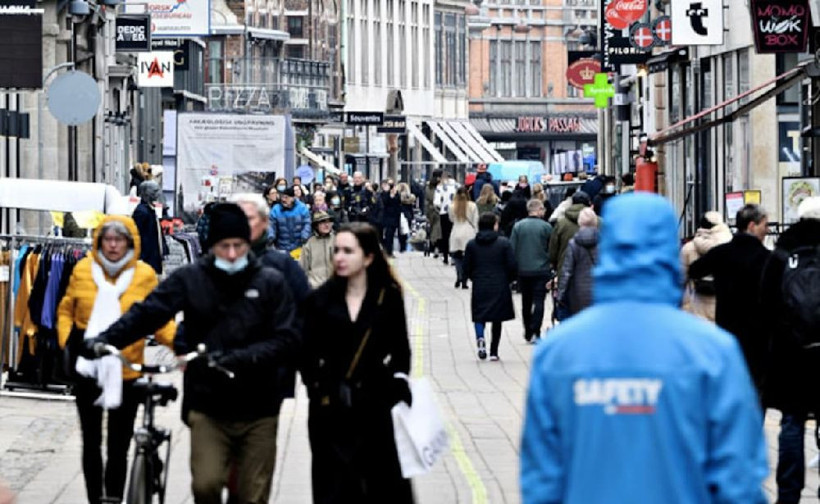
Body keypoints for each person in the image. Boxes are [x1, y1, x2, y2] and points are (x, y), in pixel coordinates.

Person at [520, 193, 768, 504]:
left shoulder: (558, 353)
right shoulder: (712, 353)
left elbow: (541, 478)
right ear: (669, 248)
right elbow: (738, 478)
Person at [82, 203, 299, 504]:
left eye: (238, 245)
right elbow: (149, 312)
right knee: (206, 485)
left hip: (259, 405)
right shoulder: (192, 278)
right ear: (212, 246)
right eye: (225, 246)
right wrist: (105, 339)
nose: (232, 254)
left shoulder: (269, 281)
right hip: (208, 402)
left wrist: (244, 357)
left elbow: (287, 337)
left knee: (253, 493)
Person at [57, 216, 176, 504]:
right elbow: (66, 309)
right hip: (89, 367)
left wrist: (180, 345)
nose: (112, 245)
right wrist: (67, 343)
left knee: (119, 444)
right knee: (91, 442)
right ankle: (94, 498)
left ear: (130, 242)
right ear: (99, 240)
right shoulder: (83, 268)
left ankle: (114, 496)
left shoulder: (144, 275)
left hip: (126, 369)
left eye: (119, 239)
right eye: (107, 239)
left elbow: (158, 319)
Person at [301, 222, 413, 504]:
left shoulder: (387, 296)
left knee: (380, 487)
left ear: (368, 257)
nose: (339, 256)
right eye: (337, 250)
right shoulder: (320, 299)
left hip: (375, 407)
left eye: (348, 251)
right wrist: (318, 387)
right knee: (334, 490)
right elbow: (306, 354)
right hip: (330, 410)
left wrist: (396, 383)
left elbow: (401, 351)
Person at [759, 196, 820, 504]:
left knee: (792, 423)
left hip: (791, 354)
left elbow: (765, 303)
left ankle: (788, 493)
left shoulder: (782, 252)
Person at [688, 204, 771, 393]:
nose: (768, 230)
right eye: (764, 225)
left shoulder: (722, 253)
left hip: (727, 325)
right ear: (751, 226)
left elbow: (695, 269)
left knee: (730, 380)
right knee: (756, 383)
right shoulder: (766, 258)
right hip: (758, 332)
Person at [232, 193, 310, 305]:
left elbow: (305, 307)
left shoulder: (284, 266)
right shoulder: (213, 265)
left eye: (249, 218)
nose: (243, 223)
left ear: (264, 221)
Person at [463, 213, 517, 361]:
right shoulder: (504, 243)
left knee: (479, 315)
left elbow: (466, 266)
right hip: (499, 284)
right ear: (494, 225)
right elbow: (512, 265)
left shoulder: (472, 244)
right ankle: (494, 351)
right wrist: (509, 279)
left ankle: (480, 339)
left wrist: (472, 278)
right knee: (497, 318)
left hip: (480, 284)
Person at [510, 199, 553, 342]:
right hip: (542, 269)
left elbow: (512, 249)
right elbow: (551, 248)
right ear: (539, 210)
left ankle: (527, 330)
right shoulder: (546, 227)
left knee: (526, 302)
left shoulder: (518, 226)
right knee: (539, 300)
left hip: (523, 270)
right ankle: (536, 330)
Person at [680, 211, 732, 322]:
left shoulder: (688, 248)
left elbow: (680, 280)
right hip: (723, 305)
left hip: (696, 306)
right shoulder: (730, 248)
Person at [556, 207, 598, 317]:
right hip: (598, 289)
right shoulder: (602, 242)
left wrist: (560, 294)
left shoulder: (574, 244)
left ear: (580, 222)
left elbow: (567, 271)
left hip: (577, 292)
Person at [131, 180, 166, 274]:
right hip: (146, 258)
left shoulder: (150, 209)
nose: (157, 194)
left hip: (152, 256)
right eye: (154, 191)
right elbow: (137, 235)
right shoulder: (142, 212)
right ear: (147, 193)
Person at [448, 187, 479, 289]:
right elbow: (475, 220)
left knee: (457, 258)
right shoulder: (472, 206)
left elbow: (451, 219)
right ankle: (465, 280)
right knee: (468, 259)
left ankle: (459, 276)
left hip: (456, 231)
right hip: (469, 232)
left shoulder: (452, 206)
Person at [270, 187, 312, 254]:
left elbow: (307, 223)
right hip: (281, 247)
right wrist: (270, 237)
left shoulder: (302, 208)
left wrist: (305, 236)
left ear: (293, 198)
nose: (283, 200)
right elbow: (271, 225)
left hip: (299, 247)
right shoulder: (276, 209)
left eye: (286, 197)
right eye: (282, 197)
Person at [300, 211, 336, 289]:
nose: (327, 225)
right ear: (316, 225)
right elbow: (302, 268)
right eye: (323, 222)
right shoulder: (309, 244)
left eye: (328, 222)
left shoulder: (337, 240)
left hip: (335, 287)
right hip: (316, 288)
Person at [435, 171, 459, 264]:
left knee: (445, 235)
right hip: (456, 212)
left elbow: (436, 202)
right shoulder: (457, 186)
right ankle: (453, 256)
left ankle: (445, 256)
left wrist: (441, 208)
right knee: (454, 234)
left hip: (444, 213)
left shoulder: (440, 187)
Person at [379, 179, 402, 257]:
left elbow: (398, 204)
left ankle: (390, 251)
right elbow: (384, 203)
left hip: (394, 218)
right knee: (386, 235)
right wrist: (388, 194)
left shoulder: (396, 194)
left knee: (391, 235)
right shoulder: (383, 194)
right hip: (385, 217)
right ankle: (387, 250)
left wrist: (394, 195)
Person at [425, 171, 443, 257]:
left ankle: (436, 246)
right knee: (438, 229)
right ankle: (437, 247)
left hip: (432, 211)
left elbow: (427, 200)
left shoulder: (429, 187)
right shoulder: (440, 187)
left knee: (435, 229)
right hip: (438, 211)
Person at [397, 183, 416, 253]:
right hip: (408, 215)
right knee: (406, 231)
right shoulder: (409, 197)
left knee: (400, 232)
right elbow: (410, 208)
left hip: (401, 215)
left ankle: (402, 246)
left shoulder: (398, 197)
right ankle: (404, 246)